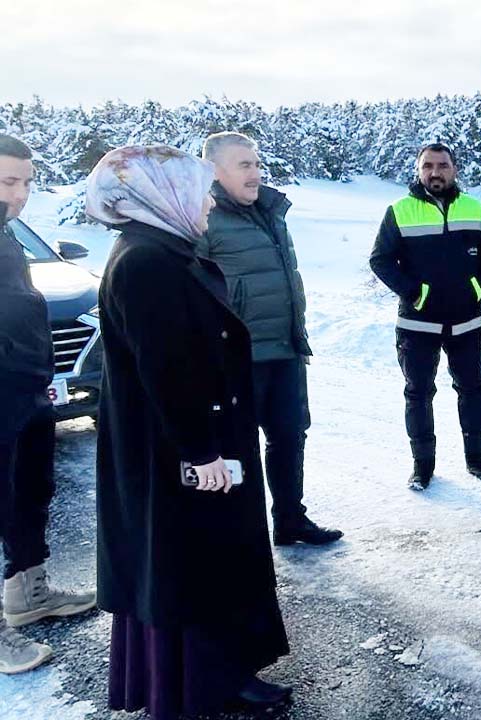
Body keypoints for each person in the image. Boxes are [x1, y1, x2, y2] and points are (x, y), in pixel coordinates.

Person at [89, 145, 291, 717]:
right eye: (198, 190)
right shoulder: (146, 263)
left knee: (201, 564)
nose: (207, 202)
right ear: (163, 194)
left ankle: (218, 674)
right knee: (193, 568)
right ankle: (205, 683)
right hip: (177, 454)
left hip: (186, 446)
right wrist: (202, 454)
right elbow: (167, 371)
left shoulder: (161, 251)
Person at [198, 131, 341, 547]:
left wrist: (298, 335)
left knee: (290, 436)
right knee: (236, 447)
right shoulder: (204, 217)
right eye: (245, 165)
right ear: (214, 170)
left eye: (257, 164)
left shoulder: (272, 210)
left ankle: (290, 520)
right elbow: (196, 292)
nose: (256, 173)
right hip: (238, 358)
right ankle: (242, 536)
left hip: (284, 348)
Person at [0, 133, 96, 675]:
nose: (20, 195)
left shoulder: (8, 235)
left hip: (28, 386)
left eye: (27, 183)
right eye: (9, 182)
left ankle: (28, 591)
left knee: (29, 491)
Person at [370, 143, 481, 489]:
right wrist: (416, 292)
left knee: (472, 389)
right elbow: (380, 260)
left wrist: (477, 288)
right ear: (418, 170)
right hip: (417, 324)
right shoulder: (399, 211)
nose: (435, 172)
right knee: (418, 393)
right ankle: (422, 467)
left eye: (442, 165)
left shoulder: (475, 209)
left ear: (454, 169)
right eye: (428, 165)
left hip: (467, 322)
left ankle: (477, 460)